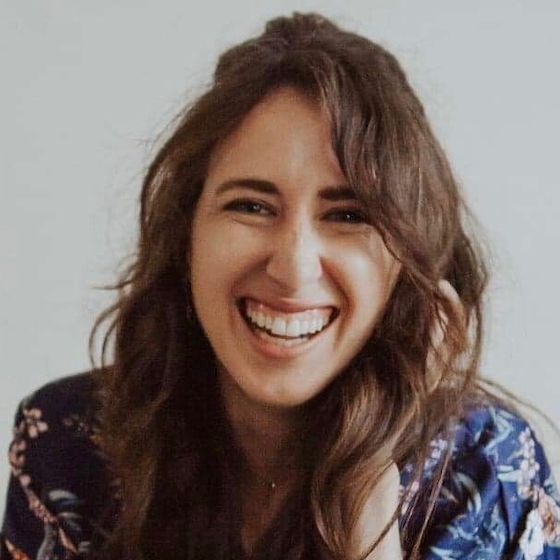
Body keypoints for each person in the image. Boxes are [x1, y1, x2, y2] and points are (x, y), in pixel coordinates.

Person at [1, 12, 559, 560]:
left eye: (348, 216)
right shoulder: (68, 446)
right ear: (185, 236)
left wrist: (366, 509)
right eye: (251, 206)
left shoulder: (489, 472)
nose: (293, 268)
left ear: (407, 265)